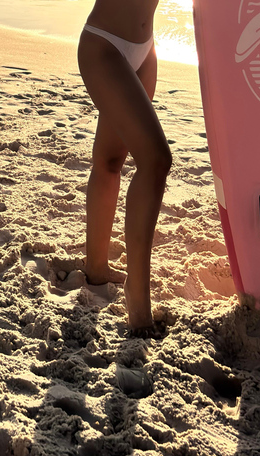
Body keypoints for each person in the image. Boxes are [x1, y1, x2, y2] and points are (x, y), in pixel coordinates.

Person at [77, 0, 171, 333]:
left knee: (109, 161)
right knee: (157, 160)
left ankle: (97, 267)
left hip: (146, 50)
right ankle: (138, 295)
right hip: (104, 47)